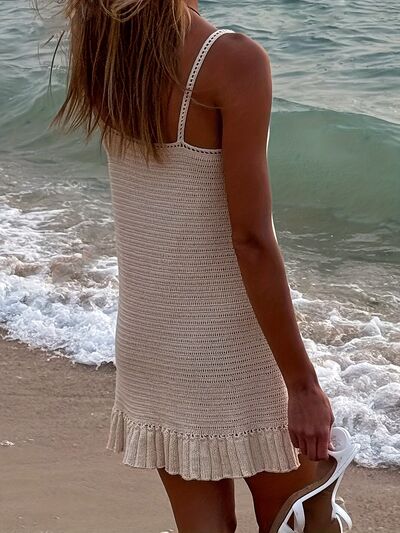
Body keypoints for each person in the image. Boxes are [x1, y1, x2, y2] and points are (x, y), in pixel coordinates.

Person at [43, 1, 338, 531]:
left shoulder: (104, 53)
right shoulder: (232, 61)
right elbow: (251, 240)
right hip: (227, 351)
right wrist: (302, 385)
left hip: (149, 343)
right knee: (305, 516)